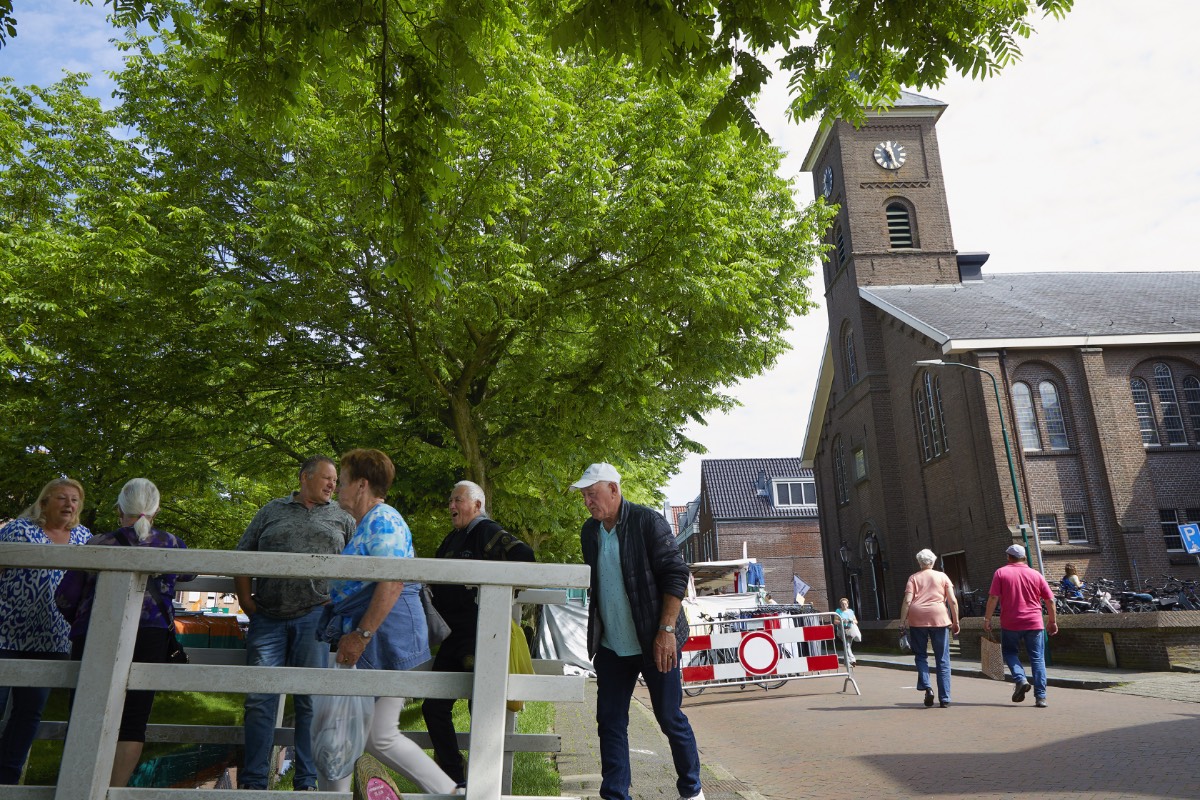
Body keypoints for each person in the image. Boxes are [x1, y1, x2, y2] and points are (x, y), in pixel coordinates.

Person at [316, 448, 457, 795]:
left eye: (344, 482)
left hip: (388, 639)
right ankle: (449, 793)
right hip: (383, 638)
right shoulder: (371, 522)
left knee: (351, 732)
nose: (338, 489)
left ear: (362, 485)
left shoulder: (384, 520)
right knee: (371, 734)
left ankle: (450, 793)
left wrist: (360, 636)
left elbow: (393, 582)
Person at [573, 462, 704, 800]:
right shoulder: (589, 532)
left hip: (655, 640)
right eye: (585, 496)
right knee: (610, 722)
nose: (588, 501)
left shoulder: (648, 521)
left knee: (669, 717)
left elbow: (676, 574)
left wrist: (666, 630)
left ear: (614, 490)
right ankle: (615, 794)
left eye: (592, 494)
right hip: (612, 647)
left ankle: (692, 790)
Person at [56, 478, 193, 787]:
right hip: (151, 634)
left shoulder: (97, 544)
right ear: (155, 510)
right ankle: (113, 790)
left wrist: (77, 620)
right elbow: (189, 571)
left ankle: (77, 787)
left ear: (119, 508)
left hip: (94, 631)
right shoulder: (172, 544)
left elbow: (65, 596)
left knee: (83, 712)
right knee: (133, 720)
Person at [234, 455, 356, 792]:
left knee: (309, 701)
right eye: (328, 478)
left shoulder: (343, 517)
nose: (334, 485)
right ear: (305, 477)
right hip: (268, 617)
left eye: (336, 480)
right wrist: (246, 601)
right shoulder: (271, 510)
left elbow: (363, 565)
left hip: (314, 617)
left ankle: (306, 782)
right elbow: (242, 554)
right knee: (259, 700)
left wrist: (341, 600)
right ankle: (254, 783)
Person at [421, 480, 535, 789]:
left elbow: (525, 558)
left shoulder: (488, 532)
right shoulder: (452, 539)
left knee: (480, 705)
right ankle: (456, 775)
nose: (451, 506)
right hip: (451, 637)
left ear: (477, 505)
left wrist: (499, 596)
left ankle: (483, 782)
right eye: (450, 500)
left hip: (479, 634)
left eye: (458, 499)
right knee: (432, 707)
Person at [0, 478, 91, 785]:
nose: (69, 504)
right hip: (6, 633)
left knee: (28, 713)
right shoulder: (19, 531)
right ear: (43, 503)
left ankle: (7, 779)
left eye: (75, 500)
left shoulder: (84, 537)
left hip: (53, 638)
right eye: (62, 498)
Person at [983, 544, 1058, 708]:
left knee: (1009, 652)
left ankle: (1020, 678)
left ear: (1009, 557)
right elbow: (1050, 600)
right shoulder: (1035, 574)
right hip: (1034, 622)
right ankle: (1041, 697)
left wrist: (987, 619)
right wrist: (1052, 621)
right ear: (1024, 557)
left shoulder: (1001, 573)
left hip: (1011, 622)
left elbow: (993, 598)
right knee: (1037, 658)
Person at [898, 549, 959, 708]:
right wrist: (956, 621)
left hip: (917, 619)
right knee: (943, 659)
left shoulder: (913, 578)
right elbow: (952, 600)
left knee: (920, 655)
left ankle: (927, 687)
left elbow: (907, 601)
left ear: (920, 562)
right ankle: (945, 698)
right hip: (939, 617)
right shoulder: (942, 576)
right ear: (933, 562)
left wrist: (902, 620)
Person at [833, 598, 859, 667]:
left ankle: (846, 662)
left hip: (850, 630)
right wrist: (842, 621)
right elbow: (835, 621)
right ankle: (852, 660)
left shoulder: (851, 611)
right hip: (842, 630)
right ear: (840, 605)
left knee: (847, 646)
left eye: (845, 604)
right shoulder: (838, 611)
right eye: (842, 604)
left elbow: (856, 621)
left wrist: (852, 621)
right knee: (847, 645)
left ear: (847, 604)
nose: (844, 605)